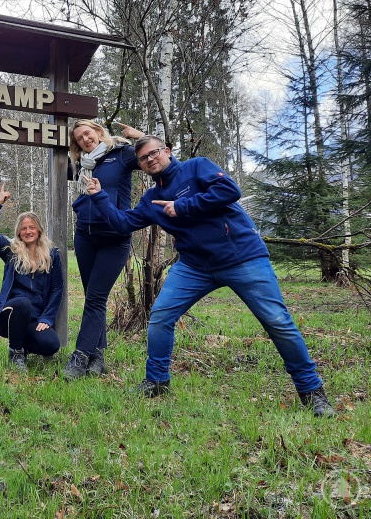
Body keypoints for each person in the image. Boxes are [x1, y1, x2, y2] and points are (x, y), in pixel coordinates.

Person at [84, 134, 336, 417]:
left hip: (242, 256)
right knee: (161, 317)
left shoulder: (196, 167)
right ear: (140, 166)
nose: (150, 159)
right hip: (194, 266)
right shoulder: (152, 198)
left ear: (167, 151)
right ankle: (156, 381)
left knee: (278, 322)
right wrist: (99, 196)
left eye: (154, 153)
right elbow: (123, 223)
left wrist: (183, 206)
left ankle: (311, 390)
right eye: (143, 158)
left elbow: (229, 190)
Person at [63, 119, 143, 379]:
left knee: (96, 298)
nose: (85, 140)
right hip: (85, 236)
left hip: (114, 236)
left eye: (87, 134)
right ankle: (97, 356)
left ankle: (80, 356)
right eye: (79, 139)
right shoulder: (81, 164)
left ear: (98, 132)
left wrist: (139, 136)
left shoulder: (121, 154)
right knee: (93, 297)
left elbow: (156, 154)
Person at [0, 183, 63, 371]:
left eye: (32, 227)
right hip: (7, 316)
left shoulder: (52, 255)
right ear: (19, 232)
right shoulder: (11, 251)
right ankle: (15, 352)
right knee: (23, 302)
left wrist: (47, 318)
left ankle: (23, 344)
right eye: (23, 228)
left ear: (39, 230)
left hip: (35, 318)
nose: (28, 232)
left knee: (51, 345)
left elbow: (57, 289)